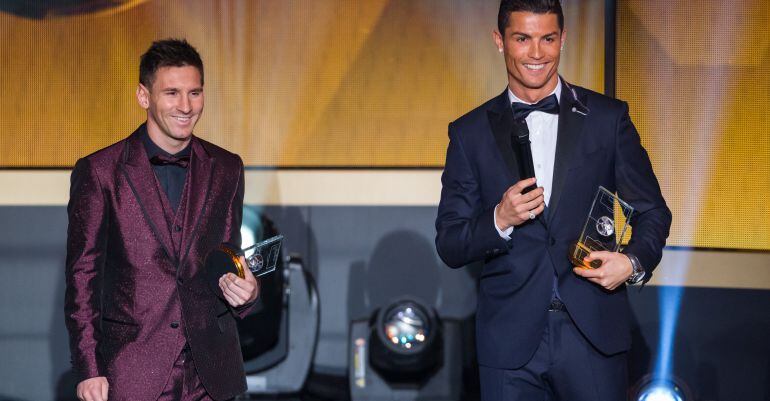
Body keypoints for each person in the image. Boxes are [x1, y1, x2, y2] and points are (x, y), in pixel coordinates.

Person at [434, 1, 671, 400]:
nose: (537, 53)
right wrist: (499, 218)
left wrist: (631, 263)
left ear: (563, 39)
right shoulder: (469, 133)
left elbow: (653, 212)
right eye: (522, 39)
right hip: (509, 343)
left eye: (548, 38)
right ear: (499, 41)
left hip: (594, 335)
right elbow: (450, 242)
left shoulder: (606, 118)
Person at [65, 39, 259, 401]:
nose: (186, 106)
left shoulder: (228, 167)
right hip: (131, 371)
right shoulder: (100, 172)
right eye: (171, 93)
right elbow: (82, 277)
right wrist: (89, 368)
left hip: (211, 373)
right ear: (144, 96)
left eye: (195, 92)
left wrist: (248, 293)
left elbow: (228, 258)